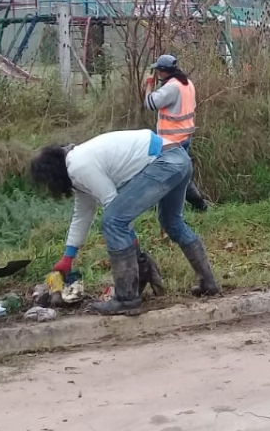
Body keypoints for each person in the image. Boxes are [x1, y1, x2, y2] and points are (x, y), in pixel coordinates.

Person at [29, 129, 220, 316]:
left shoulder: (79, 166)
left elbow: (112, 205)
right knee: (171, 222)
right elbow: (82, 214)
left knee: (112, 220)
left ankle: (127, 299)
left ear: (53, 174)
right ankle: (208, 283)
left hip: (164, 162)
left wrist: (134, 247)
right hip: (178, 158)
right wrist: (67, 257)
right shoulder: (78, 165)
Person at [144, 53, 209, 212]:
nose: (158, 74)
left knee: (166, 175)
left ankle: (168, 209)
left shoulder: (172, 87)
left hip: (171, 140)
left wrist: (148, 86)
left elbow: (150, 103)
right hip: (185, 136)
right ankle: (199, 206)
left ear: (163, 71)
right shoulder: (186, 83)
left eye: (158, 71)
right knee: (182, 176)